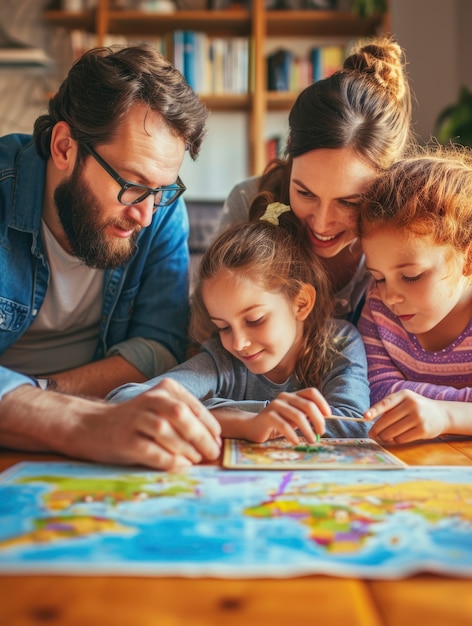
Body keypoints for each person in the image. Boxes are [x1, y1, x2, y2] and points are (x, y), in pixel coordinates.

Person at [0, 44, 222, 469]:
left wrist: (47, 395)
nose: (144, 215)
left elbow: (160, 344)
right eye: (133, 183)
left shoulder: (160, 209)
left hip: (105, 433)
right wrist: (81, 420)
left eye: (162, 190)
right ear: (65, 147)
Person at [108, 193, 370, 441]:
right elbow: (123, 401)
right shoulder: (224, 360)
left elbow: (353, 424)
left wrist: (215, 411)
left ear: (301, 303)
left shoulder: (339, 341)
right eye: (223, 327)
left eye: (254, 320)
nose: (238, 343)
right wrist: (245, 422)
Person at [218, 36, 415, 324]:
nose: (322, 224)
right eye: (305, 193)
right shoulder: (248, 201)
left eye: (348, 202)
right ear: (289, 150)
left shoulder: (408, 234)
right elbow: (209, 328)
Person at [357, 145, 472, 444]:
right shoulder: (379, 308)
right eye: (378, 277)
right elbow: (378, 391)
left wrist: (445, 415)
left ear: (468, 259)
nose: (390, 296)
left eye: (411, 276)